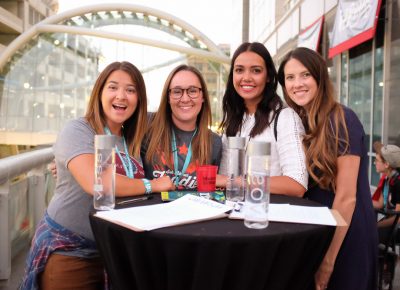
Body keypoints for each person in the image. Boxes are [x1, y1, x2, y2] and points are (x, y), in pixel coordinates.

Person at [20, 61, 174, 290]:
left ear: (139, 99)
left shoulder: (132, 136)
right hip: (71, 251)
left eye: (131, 90)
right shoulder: (79, 129)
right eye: (113, 87)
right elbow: (98, 184)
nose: (121, 96)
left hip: (115, 254)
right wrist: (153, 185)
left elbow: (176, 113)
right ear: (99, 92)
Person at [277, 47, 378, 290]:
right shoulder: (300, 122)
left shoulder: (342, 119)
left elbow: (346, 198)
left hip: (344, 237)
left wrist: (328, 261)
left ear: (320, 77)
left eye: (305, 75)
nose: (297, 84)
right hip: (318, 234)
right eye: (290, 78)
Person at [218, 42, 308, 196]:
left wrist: (237, 181)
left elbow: (297, 184)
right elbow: (224, 179)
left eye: (256, 71)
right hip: (235, 214)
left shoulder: (285, 118)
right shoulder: (234, 122)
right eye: (239, 70)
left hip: (272, 215)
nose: (246, 77)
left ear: (268, 77)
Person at [142, 64, 222, 190]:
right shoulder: (147, 124)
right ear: (168, 97)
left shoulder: (214, 142)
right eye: (177, 92)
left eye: (192, 91)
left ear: (203, 97)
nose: (185, 99)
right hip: (152, 208)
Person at [372, 142, 400, 242]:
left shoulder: (398, 182)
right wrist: (361, 200)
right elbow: (380, 204)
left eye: (377, 160)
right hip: (389, 222)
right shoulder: (387, 178)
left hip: (396, 227)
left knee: (366, 235)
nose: (374, 163)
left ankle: (393, 257)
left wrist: (377, 225)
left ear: (387, 164)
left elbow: (398, 217)